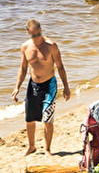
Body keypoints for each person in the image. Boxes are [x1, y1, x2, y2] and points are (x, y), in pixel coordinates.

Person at [11, 19, 70, 155]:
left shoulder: (51, 46)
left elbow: (60, 67)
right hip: (33, 86)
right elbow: (23, 68)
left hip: (49, 85)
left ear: (41, 30)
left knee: (47, 119)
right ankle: (32, 147)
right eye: (33, 35)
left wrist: (66, 87)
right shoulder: (25, 47)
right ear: (27, 33)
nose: (36, 38)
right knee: (30, 119)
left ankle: (47, 149)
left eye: (38, 34)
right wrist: (17, 87)